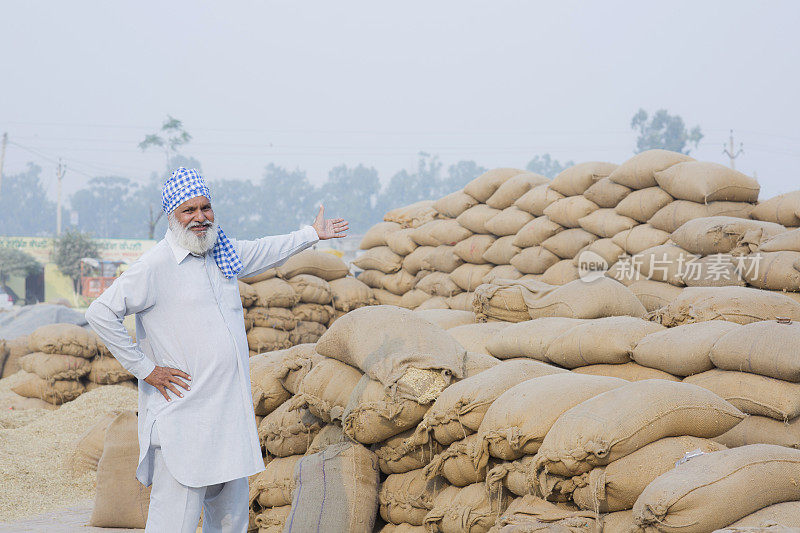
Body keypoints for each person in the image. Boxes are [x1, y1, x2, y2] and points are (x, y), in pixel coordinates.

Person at [86, 167, 348, 532]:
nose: (199, 217)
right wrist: (145, 369)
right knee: (173, 522)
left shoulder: (220, 254)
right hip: (184, 420)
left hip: (228, 418)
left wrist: (311, 234)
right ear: (172, 216)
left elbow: (266, 250)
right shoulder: (155, 266)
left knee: (231, 520)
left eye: (205, 208)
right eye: (188, 210)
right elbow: (100, 312)